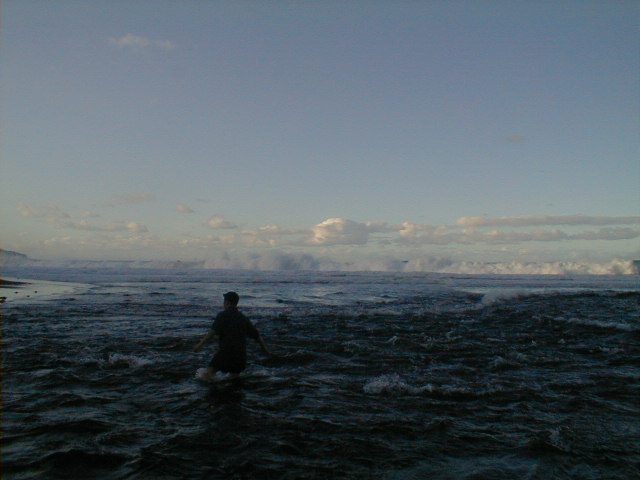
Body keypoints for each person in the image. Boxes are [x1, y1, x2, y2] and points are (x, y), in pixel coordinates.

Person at [194, 291, 269, 380]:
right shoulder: (243, 318)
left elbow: (213, 332)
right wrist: (265, 350)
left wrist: (200, 344)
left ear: (227, 302)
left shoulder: (222, 315)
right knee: (233, 379)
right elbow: (257, 336)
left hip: (225, 352)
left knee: (207, 375)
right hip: (241, 356)